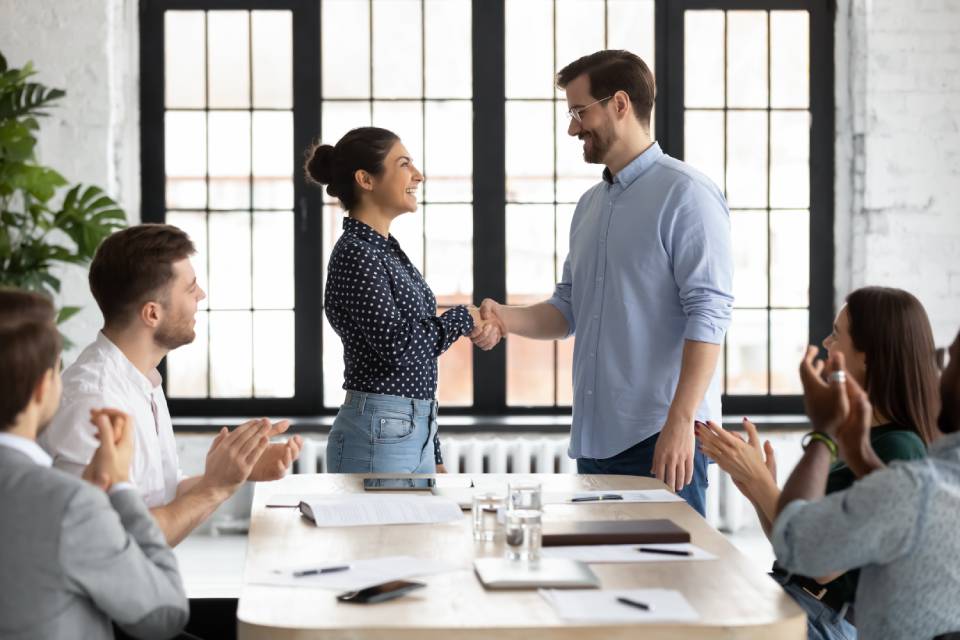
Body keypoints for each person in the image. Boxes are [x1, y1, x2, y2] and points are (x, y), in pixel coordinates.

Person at [472, 50, 733, 515]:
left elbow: (710, 315)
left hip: (661, 440)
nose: (572, 128)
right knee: (604, 582)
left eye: (579, 112)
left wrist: (681, 422)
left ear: (619, 103)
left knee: (665, 582)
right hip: (595, 441)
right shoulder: (590, 205)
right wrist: (501, 317)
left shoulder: (686, 194)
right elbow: (567, 309)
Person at [698, 286, 940, 639]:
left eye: (837, 334)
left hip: (824, 620)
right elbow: (792, 549)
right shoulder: (862, 437)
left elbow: (823, 564)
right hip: (798, 598)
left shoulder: (899, 448)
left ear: (869, 355)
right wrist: (754, 485)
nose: (826, 343)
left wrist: (762, 483)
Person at [40, 224, 302, 546]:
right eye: (190, 288)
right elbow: (117, 542)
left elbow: (159, 496)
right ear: (152, 313)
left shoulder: (142, 379)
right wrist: (214, 487)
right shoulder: (94, 400)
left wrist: (235, 472)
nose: (201, 295)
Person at [0, 289, 189, 640]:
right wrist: (120, 486)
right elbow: (165, 613)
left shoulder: (69, 500)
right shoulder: (68, 505)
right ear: (43, 387)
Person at [304, 127, 488, 473]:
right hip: (380, 431)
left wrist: (431, 447)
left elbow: (416, 364)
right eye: (404, 164)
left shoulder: (382, 250)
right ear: (366, 179)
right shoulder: (357, 254)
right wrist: (463, 317)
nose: (418, 175)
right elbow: (398, 347)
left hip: (407, 429)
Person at [769, 326, 960, 640]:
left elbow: (796, 543)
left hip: (824, 616)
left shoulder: (918, 484)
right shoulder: (920, 483)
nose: (938, 373)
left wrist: (823, 433)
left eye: (949, 360)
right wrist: (858, 453)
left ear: (871, 357)